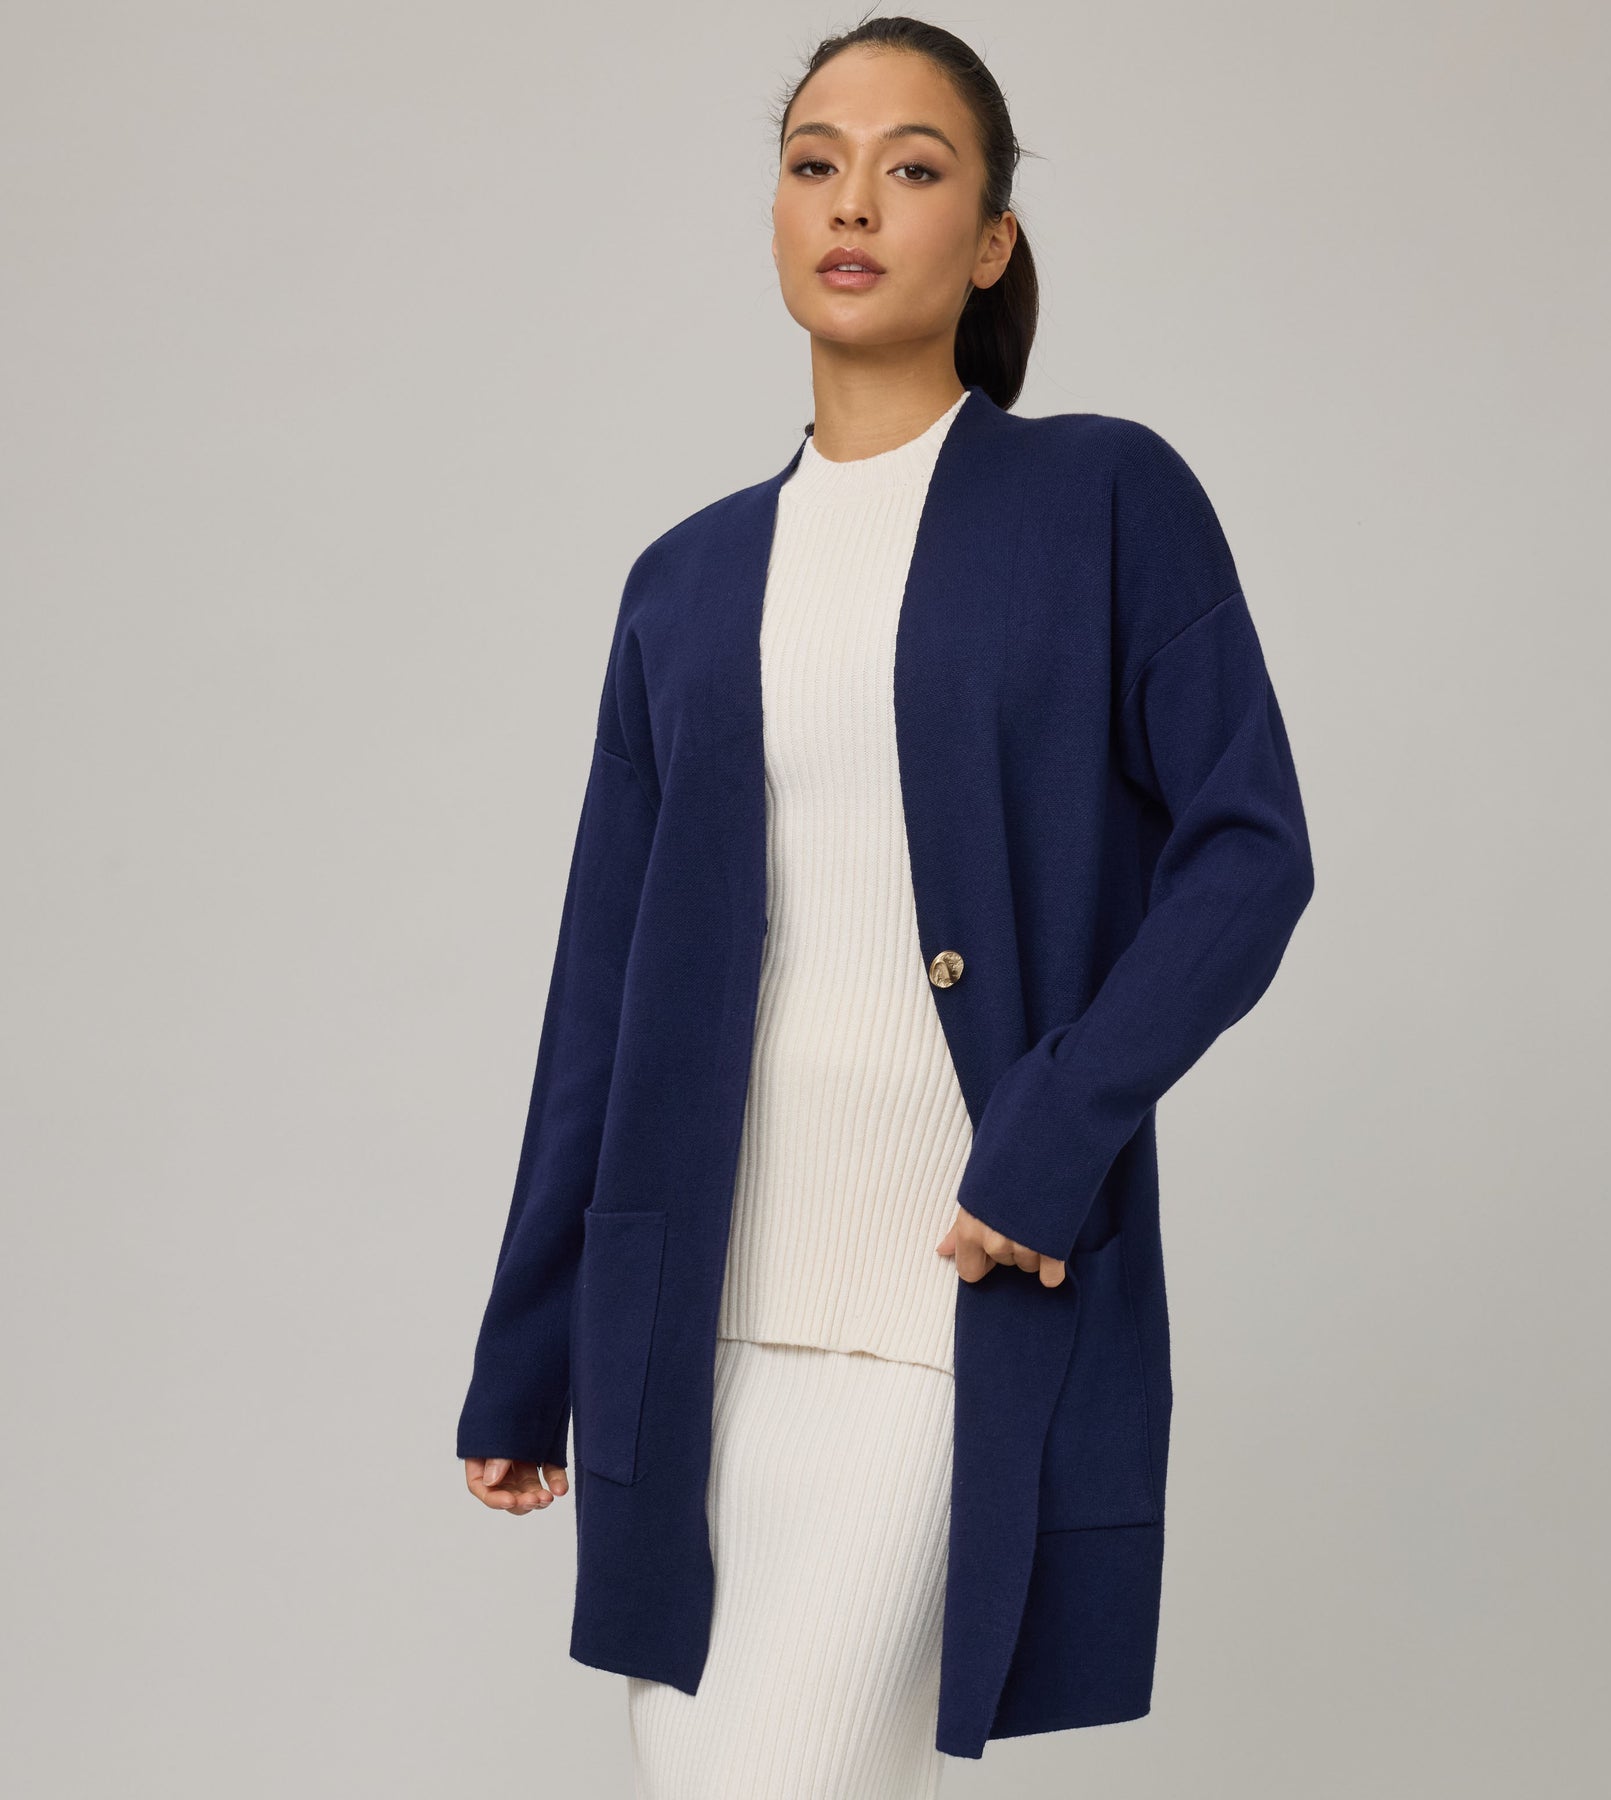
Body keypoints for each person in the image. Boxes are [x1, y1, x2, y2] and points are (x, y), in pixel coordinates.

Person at [457, 16, 1314, 1798]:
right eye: (813, 162)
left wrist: (1052, 1133)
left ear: (990, 239)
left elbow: (1251, 851)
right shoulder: (683, 583)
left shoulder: (1102, 498)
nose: (852, 203)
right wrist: (528, 1350)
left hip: (942, 1306)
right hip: (690, 1338)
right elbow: (599, 995)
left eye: (912, 168)